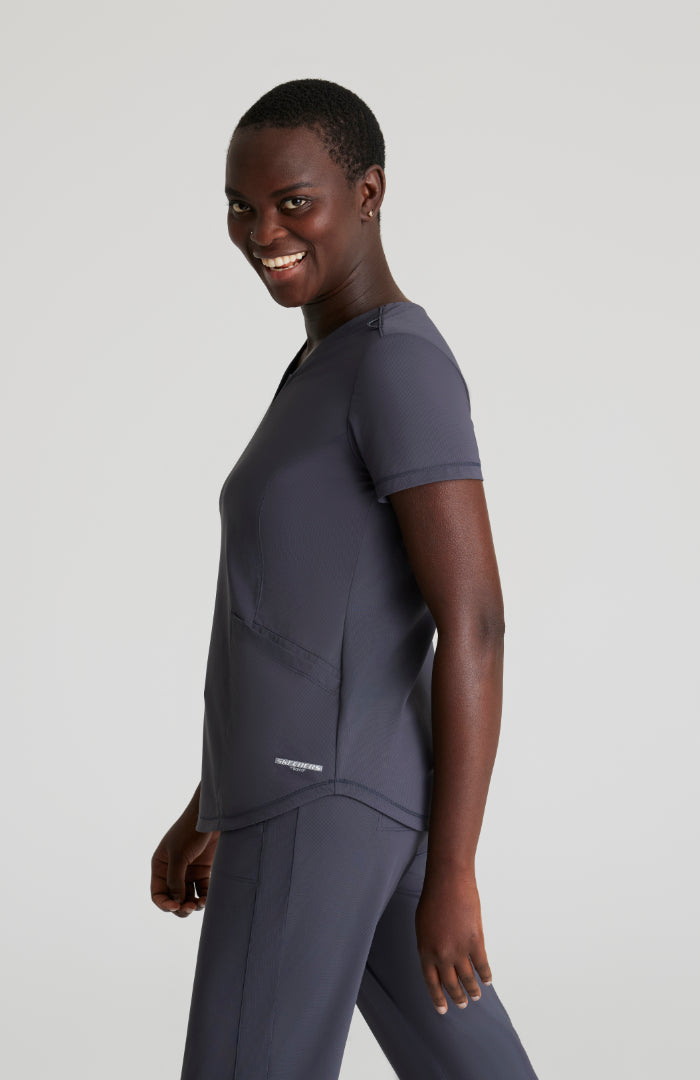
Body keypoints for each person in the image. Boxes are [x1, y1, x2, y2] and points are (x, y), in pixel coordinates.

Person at [150, 78, 541, 1080]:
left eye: (293, 202)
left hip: (324, 809)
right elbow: (303, 623)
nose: (261, 232)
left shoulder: (394, 364)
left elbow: (475, 621)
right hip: (337, 796)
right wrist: (212, 805)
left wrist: (454, 871)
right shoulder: (326, 364)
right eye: (240, 206)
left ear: (367, 192)